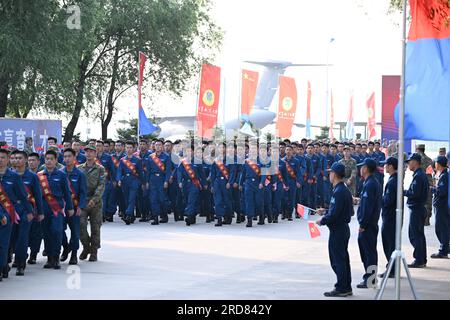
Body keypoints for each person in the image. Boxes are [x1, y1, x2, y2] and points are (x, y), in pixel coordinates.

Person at [316, 163, 353, 297]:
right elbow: (340, 210)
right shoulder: (343, 189)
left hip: (338, 230)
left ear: (335, 174)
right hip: (341, 229)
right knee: (342, 259)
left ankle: (342, 287)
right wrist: (325, 211)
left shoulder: (339, 191)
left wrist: (323, 220)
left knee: (338, 260)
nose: (329, 175)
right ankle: (345, 286)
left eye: (331, 173)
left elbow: (335, 213)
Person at [38, 150, 74, 270]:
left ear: (56, 160)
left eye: (51, 159)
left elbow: (67, 193)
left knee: (57, 231)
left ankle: (56, 257)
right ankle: (49, 258)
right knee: (46, 233)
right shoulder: (39, 176)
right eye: (46, 159)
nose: (48, 161)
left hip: (57, 208)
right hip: (43, 208)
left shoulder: (61, 175)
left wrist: (70, 207)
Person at [8, 151, 40, 276]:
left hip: (26, 211)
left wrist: (39, 212)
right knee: (11, 237)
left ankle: (21, 262)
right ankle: (8, 261)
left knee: (22, 237)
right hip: (10, 209)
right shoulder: (7, 174)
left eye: (20, 158)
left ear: (26, 160)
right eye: (14, 158)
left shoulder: (32, 177)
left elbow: (37, 196)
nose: (16, 160)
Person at [354, 158, 382, 289]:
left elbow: (368, 208)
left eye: (362, 167)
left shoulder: (370, 184)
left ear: (366, 169)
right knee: (368, 252)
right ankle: (369, 278)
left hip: (368, 225)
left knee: (369, 253)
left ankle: (370, 280)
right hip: (369, 224)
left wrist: (363, 225)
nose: (360, 169)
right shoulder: (370, 182)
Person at [78, 146, 106, 262]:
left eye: (91, 152)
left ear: (95, 154)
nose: (88, 154)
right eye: (87, 152)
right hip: (83, 201)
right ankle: (86, 247)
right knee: (80, 226)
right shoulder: (79, 168)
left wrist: (94, 199)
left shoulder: (100, 169)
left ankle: (94, 251)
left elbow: (101, 185)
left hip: (96, 202)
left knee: (96, 227)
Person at [61, 148, 87, 265]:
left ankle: (74, 255)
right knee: (59, 230)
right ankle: (66, 247)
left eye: (69, 156)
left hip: (75, 208)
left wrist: (80, 207)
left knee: (75, 232)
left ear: (74, 158)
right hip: (61, 208)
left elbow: (83, 193)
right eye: (65, 156)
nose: (66, 159)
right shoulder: (60, 173)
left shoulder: (80, 174)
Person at [404, 153, 429, 268]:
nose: (409, 163)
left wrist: (403, 191)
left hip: (417, 209)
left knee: (415, 235)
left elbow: (414, 193)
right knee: (418, 235)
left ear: (415, 162)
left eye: (410, 161)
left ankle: (419, 259)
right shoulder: (419, 175)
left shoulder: (419, 176)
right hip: (418, 208)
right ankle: (421, 259)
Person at [116, 141, 144, 225]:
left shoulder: (138, 160)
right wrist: (119, 180)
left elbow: (140, 172)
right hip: (125, 180)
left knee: (132, 198)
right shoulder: (122, 160)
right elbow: (119, 171)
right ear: (125, 148)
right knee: (127, 199)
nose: (129, 149)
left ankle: (128, 215)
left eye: (130, 148)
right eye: (127, 148)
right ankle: (131, 216)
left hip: (134, 180)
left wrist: (142, 182)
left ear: (134, 149)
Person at [177, 145, 206, 226]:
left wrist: (204, 184)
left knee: (191, 199)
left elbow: (202, 174)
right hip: (185, 183)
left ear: (193, 152)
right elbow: (179, 172)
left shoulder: (198, 161)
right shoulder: (183, 162)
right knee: (186, 200)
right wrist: (179, 181)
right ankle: (192, 215)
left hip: (194, 183)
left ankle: (189, 217)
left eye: (190, 151)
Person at [379, 157, 398, 279]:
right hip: (391, 216)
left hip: (390, 217)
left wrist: (378, 200)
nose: (384, 167)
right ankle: (391, 268)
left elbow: (388, 201)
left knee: (389, 243)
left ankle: (392, 269)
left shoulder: (392, 182)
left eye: (386, 165)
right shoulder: (393, 179)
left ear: (391, 166)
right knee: (390, 243)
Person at [239, 143, 266, 227]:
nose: (253, 151)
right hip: (248, 183)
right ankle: (249, 219)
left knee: (259, 201)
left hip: (258, 183)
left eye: (255, 149)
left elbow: (264, 174)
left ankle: (261, 216)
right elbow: (242, 174)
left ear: (258, 150)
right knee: (248, 201)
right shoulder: (246, 161)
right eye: (252, 149)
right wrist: (240, 183)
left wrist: (262, 182)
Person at [146, 140, 172, 225]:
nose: (158, 146)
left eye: (160, 145)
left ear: (162, 146)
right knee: (153, 199)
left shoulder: (166, 157)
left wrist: (166, 181)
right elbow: (148, 171)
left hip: (162, 179)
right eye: (156, 145)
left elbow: (168, 171)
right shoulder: (150, 157)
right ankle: (155, 218)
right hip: (152, 179)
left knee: (162, 199)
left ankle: (164, 215)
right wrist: (147, 181)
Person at [210, 143, 235, 227]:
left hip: (226, 181)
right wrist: (212, 185)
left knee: (227, 200)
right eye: (219, 147)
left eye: (223, 147)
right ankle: (219, 218)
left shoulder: (229, 160)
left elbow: (232, 173)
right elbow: (212, 174)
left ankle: (228, 217)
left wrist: (230, 182)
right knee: (218, 200)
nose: (221, 149)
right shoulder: (216, 160)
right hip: (217, 181)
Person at [430, 156, 449, 258]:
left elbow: (441, 191)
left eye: (436, 163)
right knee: (442, 228)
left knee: (441, 228)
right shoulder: (441, 175)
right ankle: (446, 247)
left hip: (442, 205)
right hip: (440, 204)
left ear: (439, 164)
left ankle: (443, 250)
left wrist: (432, 189)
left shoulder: (444, 176)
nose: (435, 164)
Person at [95, 140, 116, 222]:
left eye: (100, 146)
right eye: (97, 146)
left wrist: (114, 180)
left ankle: (103, 215)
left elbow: (112, 169)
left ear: (103, 147)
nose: (98, 147)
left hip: (105, 181)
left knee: (104, 198)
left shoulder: (108, 157)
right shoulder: (92, 157)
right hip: (94, 181)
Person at [415, 144, 433, 226]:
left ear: (418, 149)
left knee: (419, 200)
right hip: (428, 182)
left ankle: (420, 219)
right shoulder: (429, 160)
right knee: (428, 201)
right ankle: (427, 220)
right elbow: (430, 172)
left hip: (419, 182)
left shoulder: (416, 160)